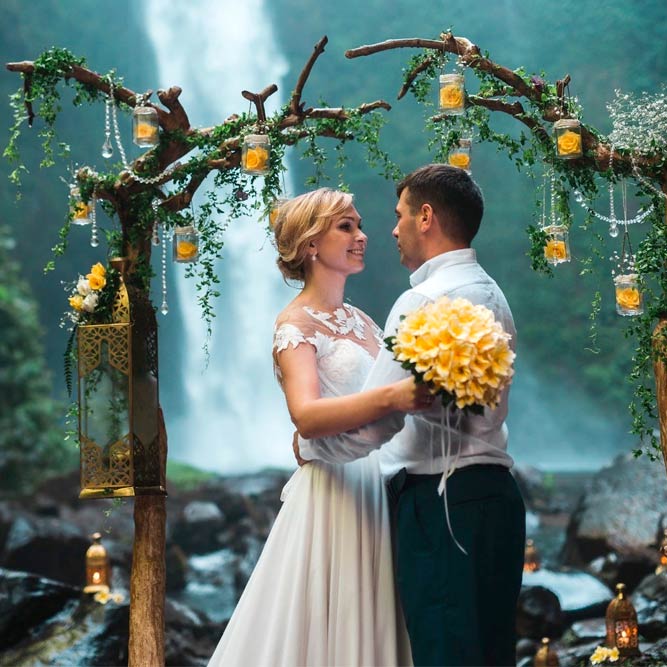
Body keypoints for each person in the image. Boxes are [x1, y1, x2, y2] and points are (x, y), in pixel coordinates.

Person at [297, 164, 527, 667]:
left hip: (439, 504)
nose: (390, 230)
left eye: (399, 216)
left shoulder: (422, 301)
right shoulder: (493, 294)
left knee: (444, 652)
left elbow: (382, 417)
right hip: (498, 499)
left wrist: (311, 446)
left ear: (426, 217)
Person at [208, 188, 431, 667]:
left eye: (360, 225)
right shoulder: (294, 324)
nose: (362, 236)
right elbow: (305, 414)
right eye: (345, 227)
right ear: (310, 244)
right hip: (334, 491)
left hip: (380, 486)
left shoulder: (367, 325)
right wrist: (391, 398)